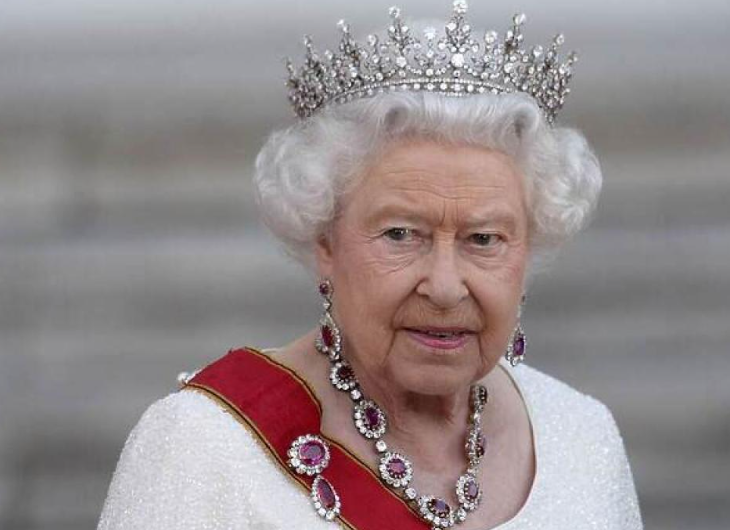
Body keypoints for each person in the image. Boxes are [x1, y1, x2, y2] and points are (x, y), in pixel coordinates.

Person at [96, 2, 643, 529]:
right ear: (325, 239)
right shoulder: (204, 447)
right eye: (401, 234)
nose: (445, 287)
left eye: (483, 239)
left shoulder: (581, 437)